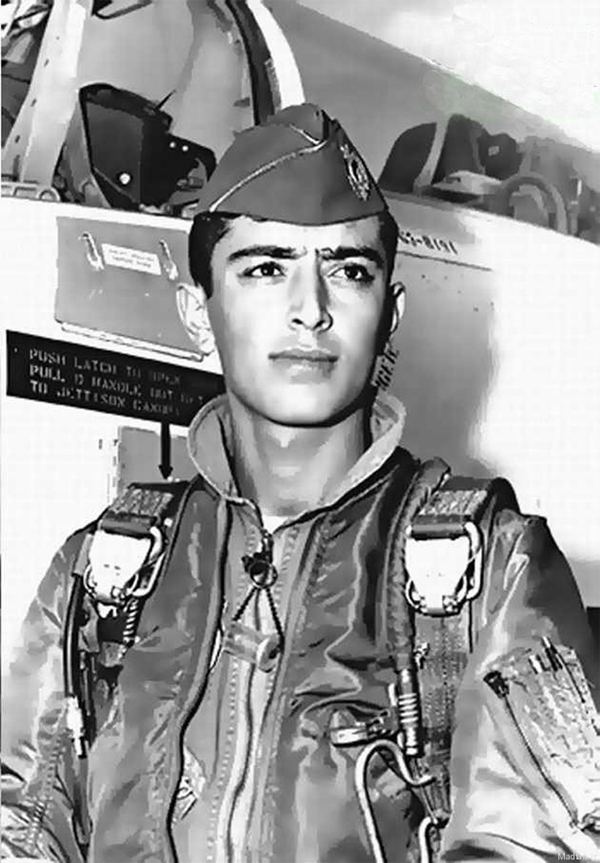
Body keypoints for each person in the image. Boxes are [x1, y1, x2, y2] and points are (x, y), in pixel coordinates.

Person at [2, 103, 599, 863]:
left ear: (389, 314)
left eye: (349, 271)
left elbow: (531, 844)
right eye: (265, 268)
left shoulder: (494, 572)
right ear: (198, 312)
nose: (310, 310)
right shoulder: (98, 575)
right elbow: (25, 826)